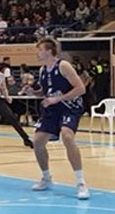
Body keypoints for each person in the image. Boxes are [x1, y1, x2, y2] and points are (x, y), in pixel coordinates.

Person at [31, 38, 90, 200]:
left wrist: (59, 98)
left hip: (70, 107)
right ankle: (46, 177)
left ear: (49, 51)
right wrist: (33, 92)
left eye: (40, 49)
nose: (37, 52)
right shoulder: (43, 70)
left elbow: (81, 88)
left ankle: (81, 182)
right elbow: (46, 92)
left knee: (67, 136)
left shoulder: (63, 66)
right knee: (37, 141)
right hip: (53, 109)